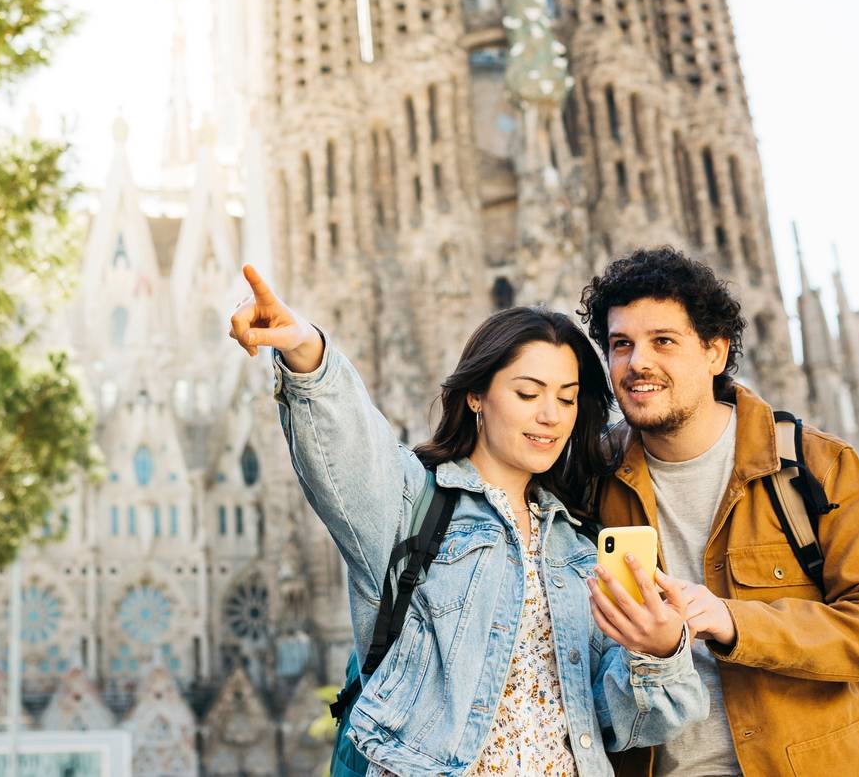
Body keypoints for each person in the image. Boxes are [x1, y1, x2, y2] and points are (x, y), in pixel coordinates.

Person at [228, 263, 708, 777]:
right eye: (528, 393)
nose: (551, 415)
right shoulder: (414, 504)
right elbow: (347, 447)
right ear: (477, 395)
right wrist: (305, 350)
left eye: (566, 398)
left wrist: (658, 651)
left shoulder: (579, 549)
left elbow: (621, 724)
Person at [576, 247, 859, 776]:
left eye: (663, 341)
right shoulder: (591, 481)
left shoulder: (815, 466)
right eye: (621, 344)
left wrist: (733, 621)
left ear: (715, 352)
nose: (637, 362)